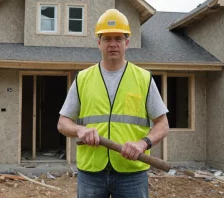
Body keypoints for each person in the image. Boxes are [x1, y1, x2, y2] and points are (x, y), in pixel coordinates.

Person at [57, 8, 169, 198]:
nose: (113, 44)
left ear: (127, 42)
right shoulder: (83, 79)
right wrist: (80, 131)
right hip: (91, 172)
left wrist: (143, 143)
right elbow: (63, 123)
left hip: (131, 173)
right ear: (99, 43)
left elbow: (163, 124)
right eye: (107, 39)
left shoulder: (143, 79)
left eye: (118, 38)